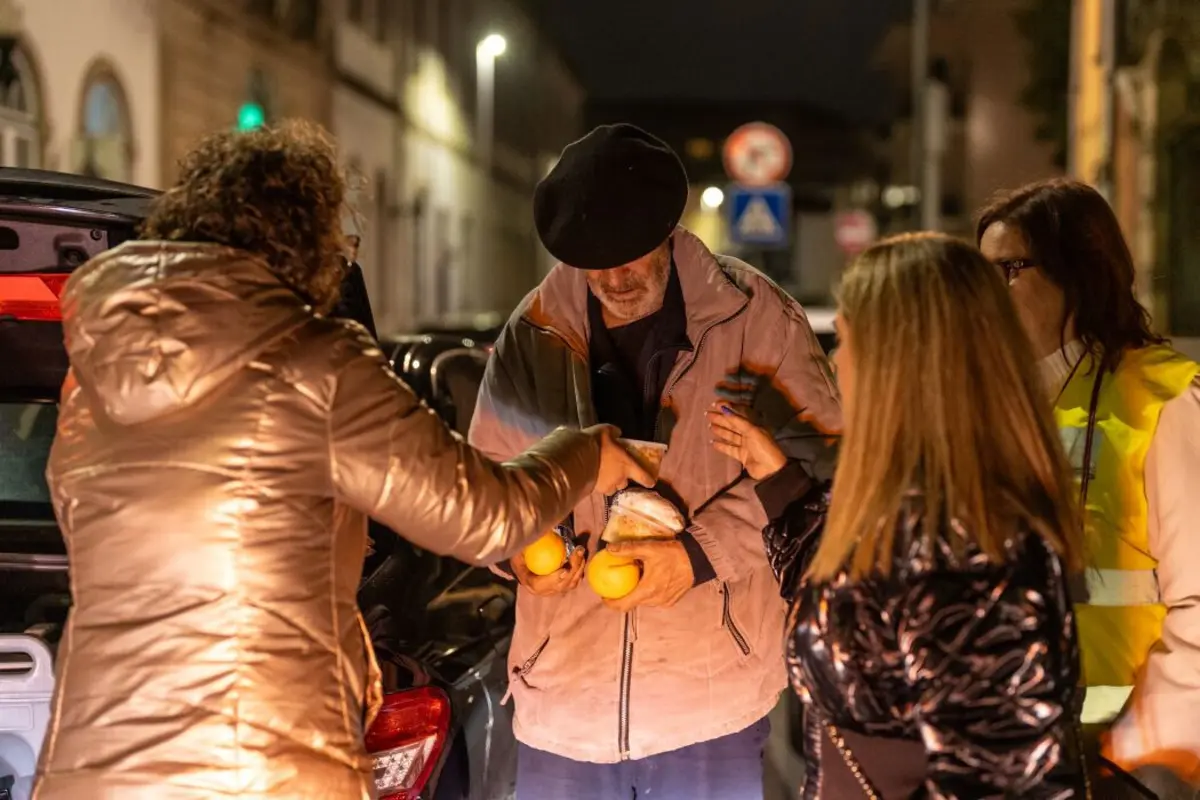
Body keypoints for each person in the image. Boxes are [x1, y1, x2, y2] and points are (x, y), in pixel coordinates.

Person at [33, 121, 650, 800]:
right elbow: (485, 515)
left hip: (88, 773)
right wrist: (585, 453)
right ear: (299, 240)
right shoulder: (316, 363)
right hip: (257, 772)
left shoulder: (90, 377)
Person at [468, 123, 842, 799]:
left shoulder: (756, 317)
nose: (613, 277)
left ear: (669, 231)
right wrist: (518, 552)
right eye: (594, 261)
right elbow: (487, 486)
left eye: (631, 257)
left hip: (709, 701)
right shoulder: (534, 333)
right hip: (563, 703)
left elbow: (819, 470)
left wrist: (699, 557)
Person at [709, 233, 1088, 798]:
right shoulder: (922, 505)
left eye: (848, 338)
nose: (838, 360)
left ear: (901, 364)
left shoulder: (969, 549)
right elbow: (861, 606)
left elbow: (997, 779)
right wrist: (779, 480)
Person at [979, 177, 1200, 796]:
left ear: (1078, 271)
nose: (985, 294)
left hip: (1125, 759)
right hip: (1010, 748)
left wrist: (1148, 755)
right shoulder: (991, 404)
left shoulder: (1163, 396)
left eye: (1009, 270)